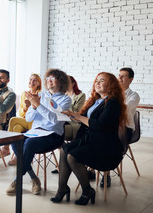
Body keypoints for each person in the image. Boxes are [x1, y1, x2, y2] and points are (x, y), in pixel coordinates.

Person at [53, 72, 127, 205]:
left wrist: (79, 117)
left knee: (72, 157)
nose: (97, 83)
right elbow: (86, 122)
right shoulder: (97, 100)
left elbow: (100, 125)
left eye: (101, 81)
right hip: (91, 139)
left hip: (105, 145)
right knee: (64, 150)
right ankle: (62, 189)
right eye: (96, 81)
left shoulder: (113, 103)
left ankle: (87, 190)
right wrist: (72, 116)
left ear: (111, 85)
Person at [6, 69, 71, 195]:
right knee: (15, 141)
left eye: (52, 79)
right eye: (47, 79)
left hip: (53, 135)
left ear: (61, 81)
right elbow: (29, 118)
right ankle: (34, 178)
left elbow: (54, 119)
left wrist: (38, 105)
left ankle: (17, 179)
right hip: (35, 132)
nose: (49, 81)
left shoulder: (65, 100)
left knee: (30, 143)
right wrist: (34, 106)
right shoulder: (41, 96)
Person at [7, 73, 42, 166]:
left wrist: (33, 106)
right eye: (30, 79)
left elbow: (40, 113)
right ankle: (21, 155)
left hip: (34, 122)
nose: (32, 82)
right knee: (16, 128)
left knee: (13, 120)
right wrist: (26, 107)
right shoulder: (24, 94)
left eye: (35, 80)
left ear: (39, 83)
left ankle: (6, 147)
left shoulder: (41, 95)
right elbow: (21, 113)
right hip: (24, 121)